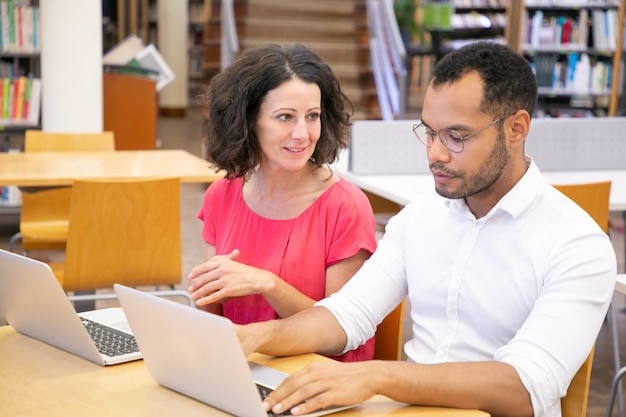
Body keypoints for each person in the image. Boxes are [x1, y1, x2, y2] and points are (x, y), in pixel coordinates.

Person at [235, 41, 617, 417]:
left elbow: (524, 387)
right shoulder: (419, 218)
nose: (434, 153)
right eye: (429, 132)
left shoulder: (577, 244)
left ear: (516, 128)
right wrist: (258, 336)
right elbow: (346, 314)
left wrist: (379, 375)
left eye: (456, 136)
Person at [187, 44, 378, 362]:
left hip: (318, 377)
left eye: (312, 116)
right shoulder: (222, 195)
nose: (302, 134)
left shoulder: (345, 207)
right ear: (248, 121)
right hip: (242, 367)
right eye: (285, 117)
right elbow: (214, 314)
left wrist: (268, 284)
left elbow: (341, 331)